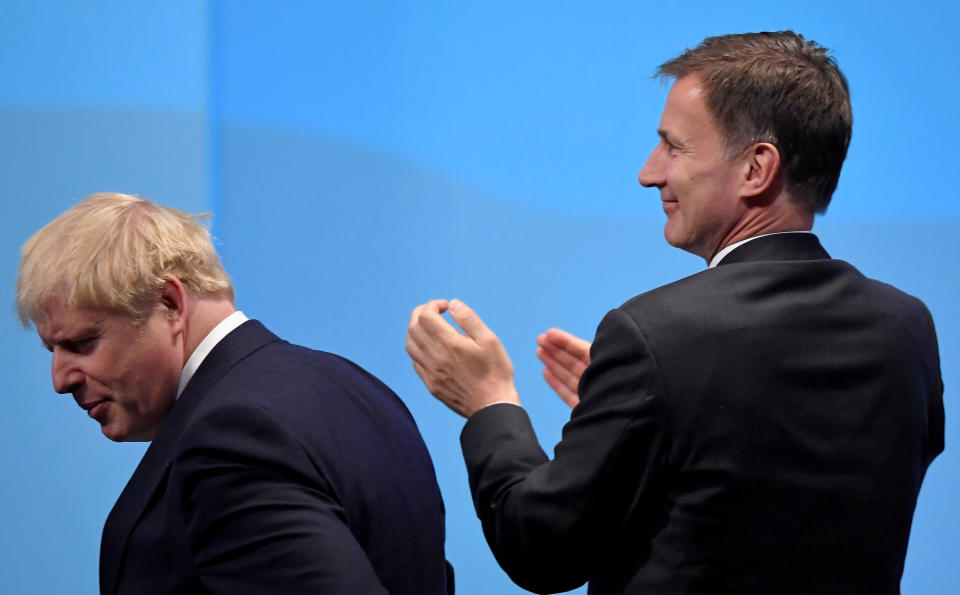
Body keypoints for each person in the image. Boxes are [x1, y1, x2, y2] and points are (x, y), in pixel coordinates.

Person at [406, 31, 943, 594]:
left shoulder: (659, 337)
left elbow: (542, 550)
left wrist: (490, 405)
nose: (649, 172)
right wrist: (657, 411)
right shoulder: (906, 327)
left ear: (757, 169)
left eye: (674, 146)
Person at [17, 193, 452, 595]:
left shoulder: (230, 437)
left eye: (80, 343)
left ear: (169, 303)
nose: (60, 379)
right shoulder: (362, 389)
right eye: (51, 350)